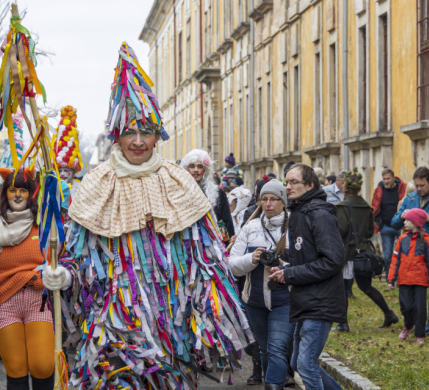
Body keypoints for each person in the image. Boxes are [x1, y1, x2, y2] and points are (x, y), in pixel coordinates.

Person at [61, 43, 251, 388]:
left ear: (156, 135)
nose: (137, 141)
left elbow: (206, 256)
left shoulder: (177, 179)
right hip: (115, 313)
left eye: (145, 131)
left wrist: (208, 304)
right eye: (129, 132)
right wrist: (65, 276)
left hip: (171, 317)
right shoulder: (97, 181)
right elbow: (79, 256)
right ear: (117, 135)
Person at [0, 173, 70, 389]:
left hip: (39, 301)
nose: (17, 195)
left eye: (22, 190)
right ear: (5, 193)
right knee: (16, 367)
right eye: (12, 190)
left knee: (42, 365)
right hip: (3, 303)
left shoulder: (44, 225)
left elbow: (59, 262)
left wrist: (50, 276)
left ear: (30, 194)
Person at [266, 164, 348, 390]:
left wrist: (291, 273)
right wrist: (285, 267)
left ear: (310, 185)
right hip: (306, 299)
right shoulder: (301, 211)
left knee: (305, 363)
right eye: (286, 182)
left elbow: (333, 260)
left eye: (293, 182)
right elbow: (309, 257)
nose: (288, 187)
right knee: (297, 361)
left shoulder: (319, 213)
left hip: (321, 301)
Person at [227, 180, 295, 389]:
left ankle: (273, 384)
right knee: (265, 348)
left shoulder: (296, 226)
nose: (269, 204)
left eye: (274, 199)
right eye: (264, 199)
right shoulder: (251, 227)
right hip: (254, 301)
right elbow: (232, 265)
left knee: (276, 347)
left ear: (283, 201)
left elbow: (307, 264)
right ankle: (272, 381)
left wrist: (284, 266)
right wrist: (252, 259)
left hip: (285, 300)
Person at [389, 166, 429, 336]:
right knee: (411, 293)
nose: (419, 189)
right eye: (416, 185)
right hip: (411, 254)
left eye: (422, 185)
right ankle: (412, 323)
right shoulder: (410, 199)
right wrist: (402, 215)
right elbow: (394, 222)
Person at [334, 170, 399, 333]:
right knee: (366, 287)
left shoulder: (342, 207)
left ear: (346, 188)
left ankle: (343, 323)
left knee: (341, 288)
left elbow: (340, 229)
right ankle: (389, 313)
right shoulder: (366, 207)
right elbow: (370, 232)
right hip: (364, 253)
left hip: (347, 253)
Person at [387, 208, 429, 344]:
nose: (405, 222)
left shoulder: (428, 241)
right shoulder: (402, 239)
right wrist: (391, 278)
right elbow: (395, 260)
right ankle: (409, 326)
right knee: (406, 307)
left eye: (408, 220)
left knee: (420, 309)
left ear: (416, 223)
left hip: (420, 281)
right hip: (404, 280)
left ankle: (420, 335)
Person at [181, 149, 235, 237]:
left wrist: (229, 243)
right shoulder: (179, 192)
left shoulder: (217, 193)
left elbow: (226, 221)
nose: (196, 170)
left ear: (205, 170)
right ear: (186, 169)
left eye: (200, 166)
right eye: (192, 166)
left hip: (213, 242)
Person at [372, 169, 406, 275]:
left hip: (402, 226)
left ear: (393, 178)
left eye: (388, 178)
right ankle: (389, 279)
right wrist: (378, 223)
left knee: (404, 253)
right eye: (384, 179)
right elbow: (374, 206)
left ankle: (402, 277)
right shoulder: (379, 189)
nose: (386, 181)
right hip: (386, 226)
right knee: (387, 255)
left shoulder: (402, 188)